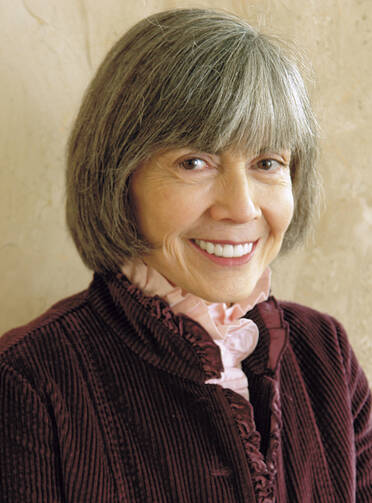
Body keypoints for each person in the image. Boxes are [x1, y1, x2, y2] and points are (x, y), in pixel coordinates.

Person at [1, 8, 371, 502]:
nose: (241, 207)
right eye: (194, 162)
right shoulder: (28, 381)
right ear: (119, 178)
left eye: (267, 162)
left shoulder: (326, 353)